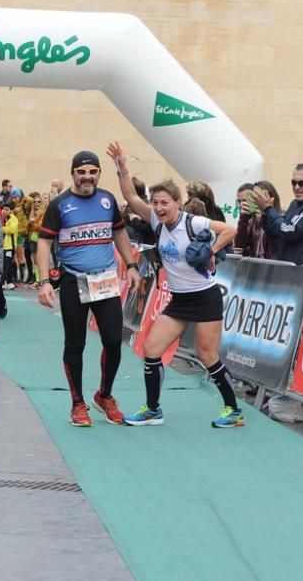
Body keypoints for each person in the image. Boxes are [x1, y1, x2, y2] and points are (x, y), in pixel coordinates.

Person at [106, 141, 242, 428]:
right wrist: (122, 167)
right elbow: (130, 196)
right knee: (152, 348)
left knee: (207, 356)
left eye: (164, 203)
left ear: (177, 203)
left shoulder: (193, 223)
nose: (158, 208)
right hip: (179, 301)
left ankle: (233, 410)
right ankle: (153, 409)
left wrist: (212, 253)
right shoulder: (156, 222)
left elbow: (231, 230)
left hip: (204, 298)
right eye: (156, 203)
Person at [35, 150, 141, 427]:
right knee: (75, 344)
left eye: (93, 172)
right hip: (73, 280)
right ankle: (78, 404)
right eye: (82, 172)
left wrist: (131, 264)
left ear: (99, 174)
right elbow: (44, 242)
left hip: (104, 280)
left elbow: (118, 231)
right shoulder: (59, 204)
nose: (87, 177)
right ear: (73, 173)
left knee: (112, 340)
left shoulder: (106, 200)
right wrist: (44, 281)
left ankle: (104, 395)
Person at [253, 163, 303, 266]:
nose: (297, 187)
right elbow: (276, 233)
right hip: (287, 269)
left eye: (302, 183)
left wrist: (268, 209)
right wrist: (265, 214)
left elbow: (288, 231)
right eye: (293, 182)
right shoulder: (294, 203)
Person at [2, 201, 19, 289]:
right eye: (3, 209)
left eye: (6, 209)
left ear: (11, 210)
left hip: (10, 246)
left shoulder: (13, 219)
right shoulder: (4, 219)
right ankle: (9, 282)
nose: (4, 211)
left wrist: (1, 228)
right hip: (4, 246)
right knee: (7, 265)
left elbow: (11, 230)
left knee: (5, 265)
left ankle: (2, 283)